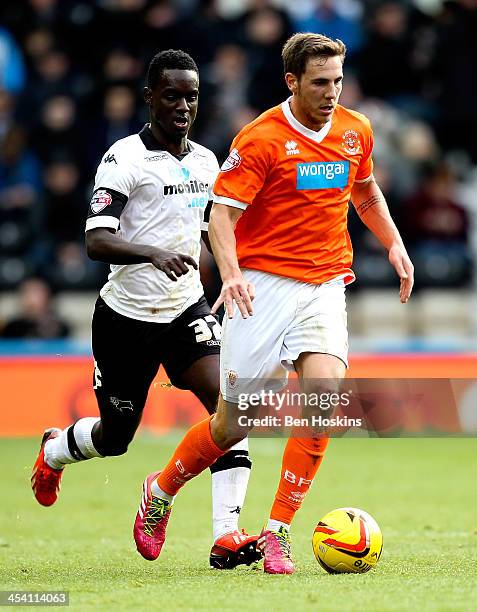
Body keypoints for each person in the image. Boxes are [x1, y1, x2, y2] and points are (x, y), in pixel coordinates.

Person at [132, 34, 414, 574]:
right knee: (232, 424)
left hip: (326, 283)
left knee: (323, 398)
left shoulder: (356, 131)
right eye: (319, 83)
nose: (332, 93)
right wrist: (233, 275)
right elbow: (221, 215)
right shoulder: (260, 139)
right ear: (292, 82)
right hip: (262, 287)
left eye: (337, 81)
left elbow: (366, 190)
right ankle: (161, 489)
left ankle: (277, 531)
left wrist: (394, 243)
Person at [31, 49, 260, 570]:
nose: (183, 105)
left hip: (185, 313)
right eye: (173, 95)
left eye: (192, 96)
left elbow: (211, 231)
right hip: (125, 321)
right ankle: (53, 451)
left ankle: (226, 535)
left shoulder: (207, 162)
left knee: (233, 412)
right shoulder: (123, 158)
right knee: (115, 439)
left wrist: (234, 273)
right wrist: (153, 253)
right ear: (150, 97)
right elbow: (96, 241)